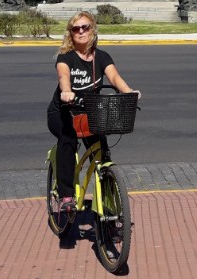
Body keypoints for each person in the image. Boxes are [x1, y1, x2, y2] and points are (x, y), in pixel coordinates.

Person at [47, 11, 140, 212]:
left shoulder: (102, 57)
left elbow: (115, 78)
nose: (81, 31)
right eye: (76, 28)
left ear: (93, 30)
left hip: (88, 112)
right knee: (68, 140)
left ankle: (109, 209)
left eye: (85, 27)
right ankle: (65, 196)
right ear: (71, 34)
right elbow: (64, 76)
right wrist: (66, 91)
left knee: (101, 150)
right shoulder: (66, 57)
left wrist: (129, 92)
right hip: (63, 111)